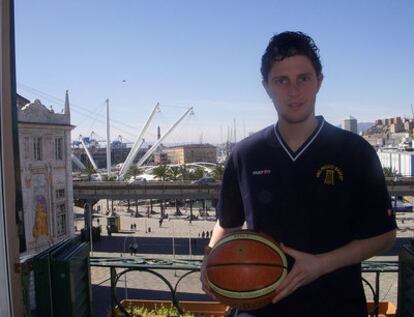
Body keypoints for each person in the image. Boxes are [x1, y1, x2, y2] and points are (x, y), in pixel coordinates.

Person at [201, 31, 396, 317]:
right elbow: (228, 223)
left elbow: (384, 236)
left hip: (336, 306)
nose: (294, 91)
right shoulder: (245, 154)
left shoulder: (355, 152)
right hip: (258, 307)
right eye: (281, 80)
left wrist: (321, 264)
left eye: (303, 78)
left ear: (319, 82)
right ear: (266, 86)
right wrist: (210, 259)